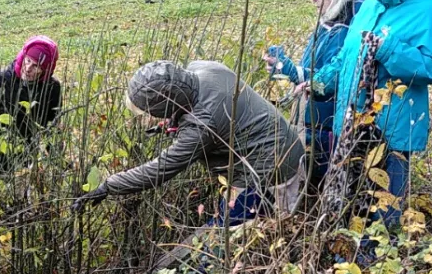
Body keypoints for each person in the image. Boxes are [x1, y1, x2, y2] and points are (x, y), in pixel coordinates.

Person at [313, 0, 432, 235]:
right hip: (352, 126)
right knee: (350, 201)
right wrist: (316, 83)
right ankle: (346, 254)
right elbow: (346, 57)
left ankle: (378, 257)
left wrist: (389, 50)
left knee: (384, 210)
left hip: (392, 130)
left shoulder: (427, 10)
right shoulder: (370, 7)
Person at [72, 60, 305, 225]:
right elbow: (201, 106)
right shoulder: (203, 69)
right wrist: (172, 123)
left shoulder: (201, 127)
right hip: (283, 144)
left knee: (227, 236)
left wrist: (109, 186)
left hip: (272, 169)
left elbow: (159, 169)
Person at [264, 0, 363, 191]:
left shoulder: (350, 28)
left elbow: (334, 80)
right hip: (313, 122)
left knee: (324, 188)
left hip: (331, 126)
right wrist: (285, 69)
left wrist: (290, 70)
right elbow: (312, 70)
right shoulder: (330, 20)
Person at [0, 35, 63, 168]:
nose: (28, 68)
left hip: (29, 156)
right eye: (27, 60)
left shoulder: (51, 88)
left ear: (45, 70)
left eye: (36, 66)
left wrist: (55, 159)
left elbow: (52, 124)